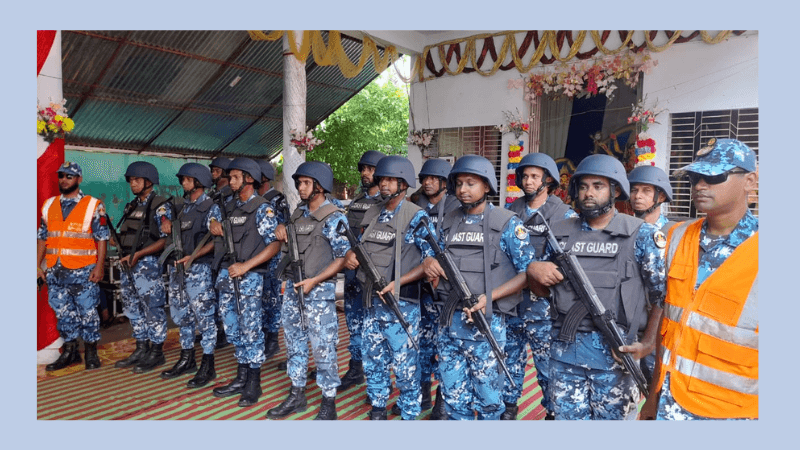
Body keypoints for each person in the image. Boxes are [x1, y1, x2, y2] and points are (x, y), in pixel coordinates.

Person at [527, 154, 666, 420]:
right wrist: (533, 270)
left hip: (616, 356)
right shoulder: (558, 232)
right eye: (583, 186)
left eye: (598, 186)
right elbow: (545, 292)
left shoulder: (642, 234)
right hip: (564, 354)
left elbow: (663, 295)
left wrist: (648, 344)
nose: (588, 193)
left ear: (615, 191)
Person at [641, 138, 758, 420]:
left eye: (714, 176)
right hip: (669, 402)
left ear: (750, 181)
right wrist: (653, 395)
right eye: (694, 178)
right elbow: (669, 323)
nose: (700, 186)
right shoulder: (676, 236)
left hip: (731, 415)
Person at [422, 155, 534, 420]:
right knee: (453, 397)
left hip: (487, 324)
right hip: (449, 323)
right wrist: (428, 261)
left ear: (487, 186)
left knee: (488, 399)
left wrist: (489, 298)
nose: (463, 189)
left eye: (471, 183)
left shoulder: (507, 223)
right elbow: (430, 251)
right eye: (459, 183)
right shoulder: (447, 220)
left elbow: (527, 273)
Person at [344, 155, 433, 420]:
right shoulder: (372, 213)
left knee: (406, 367)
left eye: (391, 180)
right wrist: (351, 256)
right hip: (372, 303)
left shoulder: (416, 215)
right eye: (382, 179)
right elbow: (360, 246)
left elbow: (431, 262)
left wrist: (399, 282)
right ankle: (378, 408)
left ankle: (408, 413)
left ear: (404, 184)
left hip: (401, 304)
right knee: (374, 361)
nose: (384, 184)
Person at [267, 162, 350, 421]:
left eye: (306, 183)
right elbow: (287, 238)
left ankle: (329, 401)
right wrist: (281, 230)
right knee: (294, 343)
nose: (300, 188)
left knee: (323, 346)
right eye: (299, 183)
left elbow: (343, 258)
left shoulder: (335, 217)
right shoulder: (297, 214)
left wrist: (316, 280)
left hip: (318, 292)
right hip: (293, 289)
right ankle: (297, 393)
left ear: (320, 186)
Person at [502, 152, 577, 420]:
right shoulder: (511, 211)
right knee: (508, 359)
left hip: (545, 308)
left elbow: (567, 263)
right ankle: (508, 408)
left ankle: (552, 413)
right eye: (525, 176)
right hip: (512, 302)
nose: (528, 181)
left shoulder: (563, 214)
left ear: (548, 180)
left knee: (547, 365)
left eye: (534, 176)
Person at [208, 158, 282, 407]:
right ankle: (241, 376)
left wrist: (247, 266)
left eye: (235, 177)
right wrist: (213, 223)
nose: (230, 181)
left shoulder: (263, 208)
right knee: (232, 328)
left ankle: (253, 381)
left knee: (251, 329)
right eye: (230, 177)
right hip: (228, 276)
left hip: (249, 277)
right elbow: (212, 220)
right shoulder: (228, 206)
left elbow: (274, 244)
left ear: (249, 178)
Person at [37, 162, 109, 371]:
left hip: (83, 270)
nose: (64, 180)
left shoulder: (93, 205)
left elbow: (102, 237)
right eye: (61, 176)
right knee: (63, 313)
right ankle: (70, 352)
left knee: (87, 312)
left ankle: (91, 352)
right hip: (56, 271)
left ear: (79, 179)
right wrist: (37, 266)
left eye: (69, 176)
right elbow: (42, 237)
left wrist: (100, 266)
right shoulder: (49, 205)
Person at [406, 157, 460, 419]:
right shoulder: (419, 207)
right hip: (422, 290)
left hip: (446, 292)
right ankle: (423, 394)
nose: (426, 183)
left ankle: (442, 401)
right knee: (423, 345)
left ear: (444, 182)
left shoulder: (456, 209)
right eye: (424, 179)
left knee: (445, 347)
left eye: (432, 179)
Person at [158, 163, 219, 388]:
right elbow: (162, 208)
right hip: (178, 270)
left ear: (198, 181)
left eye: (186, 179)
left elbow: (215, 240)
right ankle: (187, 358)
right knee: (181, 315)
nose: (183, 183)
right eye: (182, 179)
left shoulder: (211, 207)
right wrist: (164, 219)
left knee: (204, 319)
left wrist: (193, 256)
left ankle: (208, 363)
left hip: (198, 270)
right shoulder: (183, 207)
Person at [113, 161, 173, 374]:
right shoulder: (131, 206)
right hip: (128, 266)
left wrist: (139, 254)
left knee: (152, 308)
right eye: (131, 180)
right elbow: (124, 236)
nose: (133, 184)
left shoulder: (160, 205)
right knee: (132, 307)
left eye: (137, 180)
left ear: (148, 181)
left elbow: (165, 240)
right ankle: (141, 347)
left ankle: (157, 352)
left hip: (146, 265)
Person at [338, 150, 385, 394]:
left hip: (374, 277)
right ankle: (356, 368)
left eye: (371, 169)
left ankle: (378, 378)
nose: (366, 173)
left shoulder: (386, 204)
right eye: (363, 169)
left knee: (375, 327)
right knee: (353, 323)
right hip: (353, 274)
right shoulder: (357, 202)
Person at [627, 165, 675, 387]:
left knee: (659, 386)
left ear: (661, 196)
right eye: (634, 190)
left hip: (664, 326)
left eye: (646, 191)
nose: (638, 196)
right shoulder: (624, 230)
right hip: (629, 322)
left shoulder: (675, 234)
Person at [257, 159, 286, 362]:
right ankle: (265, 335)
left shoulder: (277, 200)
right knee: (261, 299)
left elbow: (284, 225)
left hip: (273, 258)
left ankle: (273, 339)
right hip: (256, 257)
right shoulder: (252, 201)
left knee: (273, 298)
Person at [208, 156, 233, 349]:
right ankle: (218, 331)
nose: (213, 174)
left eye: (217, 170)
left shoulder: (231, 197)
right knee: (215, 296)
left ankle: (225, 333)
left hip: (229, 253)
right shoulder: (214, 196)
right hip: (214, 253)